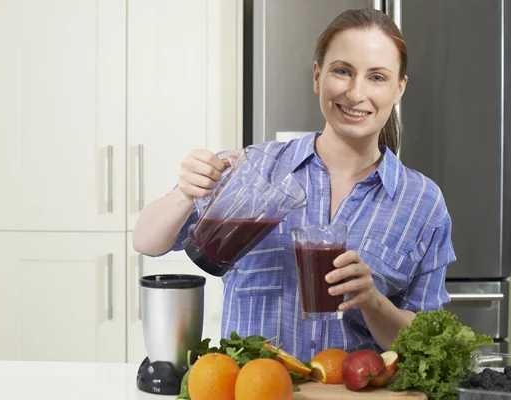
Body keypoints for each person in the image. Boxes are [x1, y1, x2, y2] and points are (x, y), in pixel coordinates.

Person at [132, 8, 456, 361]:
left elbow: (426, 345)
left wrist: (373, 301)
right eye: (342, 71)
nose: (355, 92)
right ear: (318, 77)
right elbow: (146, 240)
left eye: (377, 77)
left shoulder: (422, 202)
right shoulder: (256, 168)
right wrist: (185, 193)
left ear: (399, 89)